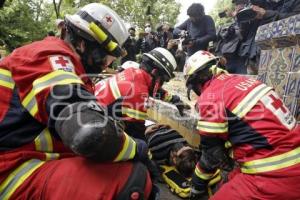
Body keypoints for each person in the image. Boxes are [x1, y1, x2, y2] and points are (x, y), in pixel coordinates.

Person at [0, 3, 153, 199]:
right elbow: (88, 132)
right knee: (131, 178)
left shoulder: (68, 67)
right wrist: (138, 149)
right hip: (13, 172)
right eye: (108, 57)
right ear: (84, 44)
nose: (108, 65)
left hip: (27, 159)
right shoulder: (51, 55)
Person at [184, 50, 300, 199]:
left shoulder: (211, 96)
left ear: (195, 83)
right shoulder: (244, 81)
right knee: (229, 180)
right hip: (288, 158)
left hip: (274, 175)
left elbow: (211, 156)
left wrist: (197, 184)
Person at [95, 47, 190, 140]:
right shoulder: (137, 93)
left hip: (97, 117)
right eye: (162, 80)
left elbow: (153, 89)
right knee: (141, 147)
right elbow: (136, 132)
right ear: (155, 72)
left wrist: (174, 99)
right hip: (99, 131)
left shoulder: (132, 72)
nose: (161, 83)